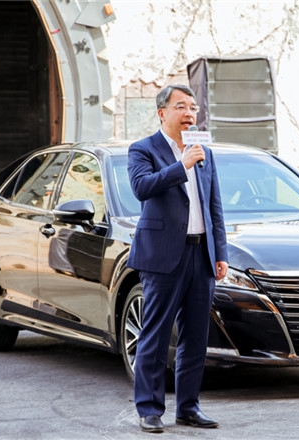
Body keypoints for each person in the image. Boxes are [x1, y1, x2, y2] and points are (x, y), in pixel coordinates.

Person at [127, 85, 229, 433]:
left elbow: (214, 206)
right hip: (162, 256)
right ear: (162, 113)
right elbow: (141, 188)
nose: (189, 113)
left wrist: (220, 252)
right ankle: (149, 408)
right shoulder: (143, 149)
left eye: (193, 107)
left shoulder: (204, 152)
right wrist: (180, 165)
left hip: (201, 254)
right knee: (155, 335)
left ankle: (188, 407)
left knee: (196, 337)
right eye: (181, 106)